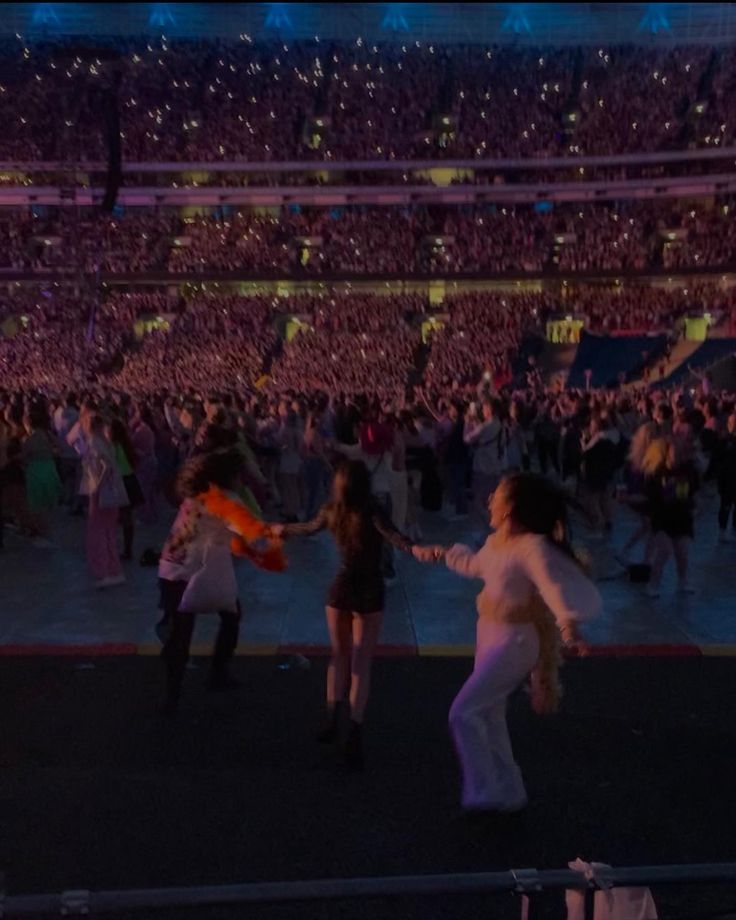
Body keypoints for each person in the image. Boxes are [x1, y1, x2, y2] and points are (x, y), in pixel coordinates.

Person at [417, 472, 600, 815]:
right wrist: (442, 554)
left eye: (497, 496)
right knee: (489, 713)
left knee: (462, 712)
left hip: (515, 641)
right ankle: (509, 789)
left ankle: (483, 790)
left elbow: (552, 585)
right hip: (489, 632)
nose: (490, 501)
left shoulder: (530, 547)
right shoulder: (496, 542)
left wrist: (568, 625)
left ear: (511, 507)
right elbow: (474, 565)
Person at [274, 459, 424, 771]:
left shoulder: (332, 511)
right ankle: (354, 731)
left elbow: (309, 528)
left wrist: (283, 529)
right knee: (361, 664)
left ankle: (331, 719)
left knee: (338, 657)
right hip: (370, 590)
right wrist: (417, 550)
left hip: (341, 588)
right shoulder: (372, 509)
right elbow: (394, 536)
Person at [158, 448, 285, 713]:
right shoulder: (228, 500)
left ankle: (172, 696)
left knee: (181, 633)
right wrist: (277, 534)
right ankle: (218, 673)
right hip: (196, 573)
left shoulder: (194, 494)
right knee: (230, 616)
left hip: (170, 568)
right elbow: (254, 535)